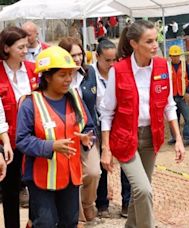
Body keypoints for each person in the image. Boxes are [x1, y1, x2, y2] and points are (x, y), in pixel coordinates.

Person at [100, 20, 185, 228]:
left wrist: (179, 139)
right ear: (134, 44)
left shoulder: (163, 66)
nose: (155, 45)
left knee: (140, 192)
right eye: (149, 41)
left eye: (156, 40)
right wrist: (105, 148)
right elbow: (106, 111)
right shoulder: (118, 71)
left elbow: (169, 105)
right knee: (144, 190)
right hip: (125, 139)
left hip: (151, 137)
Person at [16, 45, 95, 227]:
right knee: (46, 222)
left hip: (70, 176)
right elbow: (22, 140)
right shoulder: (30, 103)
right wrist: (50, 146)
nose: (68, 79)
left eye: (70, 74)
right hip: (41, 178)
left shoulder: (75, 97)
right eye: (62, 75)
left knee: (69, 222)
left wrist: (86, 139)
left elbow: (89, 127)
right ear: (47, 76)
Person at [59, 37, 101, 225]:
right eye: (72, 55)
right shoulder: (58, 76)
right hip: (64, 135)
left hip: (88, 131)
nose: (77, 58)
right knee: (72, 177)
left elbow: (99, 102)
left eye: (79, 54)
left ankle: (88, 204)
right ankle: (79, 218)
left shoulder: (89, 73)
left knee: (93, 172)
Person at [0, 26, 39, 228]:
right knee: (11, 192)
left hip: (33, 140)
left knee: (37, 187)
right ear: (6, 48)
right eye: (21, 47)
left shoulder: (34, 70)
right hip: (7, 142)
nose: (25, 50)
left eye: (27, 46)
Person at [92, 38, 132, 218]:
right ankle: (101, 204)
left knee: (127, 164)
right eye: (107, 60)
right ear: (97, 57)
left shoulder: (120, 72)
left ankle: (127, 203)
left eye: (114, 59)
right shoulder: (90, 75)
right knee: (103, 163)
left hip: (121, 123)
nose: (111, 64)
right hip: (100, 125)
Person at [167, 45, 189, 147]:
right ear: (170, 56)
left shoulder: (185, 66)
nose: (175, 58)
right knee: (174, 118)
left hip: (183, 97)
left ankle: (188, 138)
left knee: (187, 118)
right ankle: (175, 137)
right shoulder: (167, 67)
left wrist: (188, 92)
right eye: (174, 56)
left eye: (177, 56)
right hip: (172, 97)